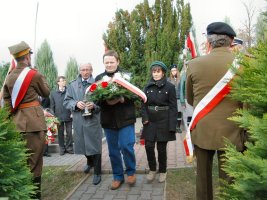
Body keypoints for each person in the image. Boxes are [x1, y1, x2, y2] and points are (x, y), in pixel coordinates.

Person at [186, 22, 245, 200]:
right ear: (231, 41)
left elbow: (190, 98)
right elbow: (247, 103)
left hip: (203, 130)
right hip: (233, 132)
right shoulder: (243, 64)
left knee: (202, 180)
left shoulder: (194, 64)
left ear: (209, 41)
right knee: (230, 183)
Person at [3, 41, 50, 199]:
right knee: (35, 162)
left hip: (17, 125)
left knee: (22, 161)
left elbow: (7, 104)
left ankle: (23, 193)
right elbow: (46, 93)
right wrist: (41, 78)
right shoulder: (33, 74)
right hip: (34, 124)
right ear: (27, 57)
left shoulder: (9, 77)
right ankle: (35, 196)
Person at [95, 50, 136, 190]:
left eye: (112, 62)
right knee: (113, 151)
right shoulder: (99, 78)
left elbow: (135, 94)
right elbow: (96, 99)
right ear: (103, 63)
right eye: (107, 62)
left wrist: (122, 98)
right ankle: (118, 176)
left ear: (118, 61)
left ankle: (130, 172)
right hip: (108, 120)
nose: (109, 64)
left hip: (126, 118)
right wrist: (106, 100)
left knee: (126, 146)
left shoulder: (127, 76)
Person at [63, 63, 102, 185]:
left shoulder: (98, 84)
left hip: (93, 119)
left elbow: (103, 102)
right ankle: (89, 162)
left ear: (91, 70)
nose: (85, 72)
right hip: (79, 119)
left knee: (95, 145)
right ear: (80, 71)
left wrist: (94, 105)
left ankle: (97, 172)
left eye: (87, 69)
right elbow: (67, 101)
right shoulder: (72, 84)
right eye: (83, 70)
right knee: (82, 144)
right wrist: (75, 104)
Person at [141, 61, 177, 183]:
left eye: (158, 72)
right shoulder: (147, 87)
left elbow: (173, 107)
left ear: (163, 73)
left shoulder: (170, 87)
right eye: (154, 72)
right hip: (150, 121)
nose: (155, 74)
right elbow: (143, 105)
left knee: (161, 149)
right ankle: (152, 169)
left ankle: (162, 171)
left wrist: (172, 126)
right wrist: (145, 118)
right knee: (148, 146)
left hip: (164, 121)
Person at [50, 76, 73, 156]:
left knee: (69, 133)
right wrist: (53, 116)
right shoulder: (53, 93)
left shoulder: (69, 91)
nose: (63, 82)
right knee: (60, 134)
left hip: (69, 116)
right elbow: (52, 106)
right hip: (58, 117)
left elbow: (72, 102)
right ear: (58, 82)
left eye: (64, 80)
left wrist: (72, 112)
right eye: (62, 81)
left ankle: (69, 148)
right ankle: (62, 149)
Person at [168, 64, 182, 133]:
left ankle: (178, 127)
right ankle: (173, 127)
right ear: (171, 72)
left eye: (175, 70)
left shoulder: (180, 78)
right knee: (173, 113)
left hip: (179, 98)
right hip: (172, 99)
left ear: (177, 71)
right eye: (172, 71)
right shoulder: (169, 79)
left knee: (179, 113)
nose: (174, 72)